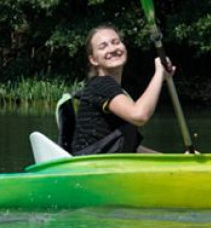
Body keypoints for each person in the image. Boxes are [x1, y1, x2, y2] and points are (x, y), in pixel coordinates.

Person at [71, 24, 173, 155]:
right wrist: (159, 73)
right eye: (103, 46)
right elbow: (139, 116)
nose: (112, 49)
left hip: (107, 164)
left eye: (116, 42)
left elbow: (133, 150)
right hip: (89, 167)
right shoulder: (101, 85)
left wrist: (173, 161)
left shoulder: (119, 93)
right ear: (93, 59)